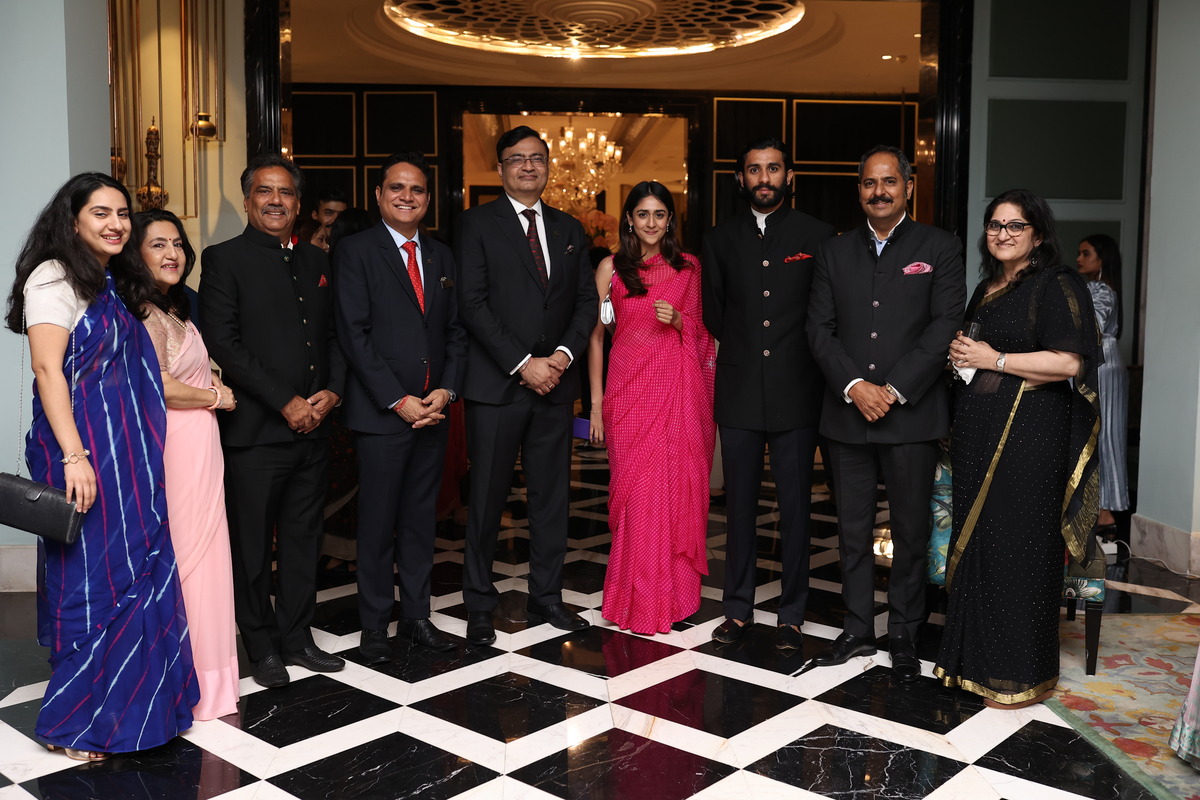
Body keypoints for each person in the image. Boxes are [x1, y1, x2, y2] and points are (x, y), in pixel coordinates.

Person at [4, 173, 197, 760]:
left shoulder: (107, 281)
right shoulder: (52, 277)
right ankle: (75, 724)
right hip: (85, 453)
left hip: (129, 456)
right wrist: (74, 457)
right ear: (73, 219)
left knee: (139, 570)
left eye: (122, 213)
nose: (116, 223)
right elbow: (47, 371)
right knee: (92, 582)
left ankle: (139, 709)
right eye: (101, 213)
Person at [934, 189, 1100, 708]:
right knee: (979, 546)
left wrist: (994, 358)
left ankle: (1019, 674)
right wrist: (963, 357)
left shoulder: (1056, 284)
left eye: (1015, 225)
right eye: (995, 225)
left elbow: (1069, 364)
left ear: (1038, 234)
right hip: (978, 437)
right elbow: (976, 355)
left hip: (1029, 440)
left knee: (1019, 552)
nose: (1003, 234)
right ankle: (971, 665)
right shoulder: (986, 288)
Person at [807, 145, 965, 681]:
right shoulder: (833, 252)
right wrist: (856, 386)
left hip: (911, 414)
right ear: (859, 190)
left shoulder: (939, 247)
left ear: (908, 186)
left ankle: (903, 631)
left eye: (889, 182)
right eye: (870, 183)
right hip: (847, 414)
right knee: (852, 530)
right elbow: (818, 330)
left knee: (910, 529)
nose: (879, 191)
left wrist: (893, 388)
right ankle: (857, 627)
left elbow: (944, 325)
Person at [200, 154, 346, 688]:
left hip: (315, 427)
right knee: (252, 546)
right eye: (265, 191)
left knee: (306, 538)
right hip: (257, 434)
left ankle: (297, 637)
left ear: (298, 202)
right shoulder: (223, 259)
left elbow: (332, 335)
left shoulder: (315, 260)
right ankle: (259, 645)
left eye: (285, 193)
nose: (276, 201)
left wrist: (331, 393)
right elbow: (226, 343)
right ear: (248, 200)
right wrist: (286, 401)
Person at [454, 125, 597, 645]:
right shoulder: (475, 224)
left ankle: (548, 596)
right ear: (500, 168)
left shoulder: (568, 228)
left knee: (551, 498)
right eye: (518, 159)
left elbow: (584, 303)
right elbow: (471, 304)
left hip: (555, 386)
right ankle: (478, 604)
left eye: (537, 158)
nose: (529, 167)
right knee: (487, 500)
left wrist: (559, 357)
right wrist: (523, 363)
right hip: (498, 387)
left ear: (548, 166)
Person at [701, 137, 836, 649]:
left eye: (773, 169)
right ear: (741, 179)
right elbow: (714, 312)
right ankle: (737, 610)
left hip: (798, 393)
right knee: (738, 507)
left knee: (797, 508)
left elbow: (824, 313)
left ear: (789, 176)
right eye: (754, 170)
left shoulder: (818, 236)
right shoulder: (719, 239)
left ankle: (792, 614)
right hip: (737, 392)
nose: (764, 178)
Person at [334, 152, 467, 660]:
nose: (407, 196)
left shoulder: (440, 255)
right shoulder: (355, 251)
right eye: (397, 188)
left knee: (419, 521)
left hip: (433, 413)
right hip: (382, 415)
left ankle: (416, 617)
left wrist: (446, 391)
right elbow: (354, 334)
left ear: (428, 199)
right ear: (379, 195)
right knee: (377, 522)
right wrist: (397, 399)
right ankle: (374, 627)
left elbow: (455, 332)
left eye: (416, 190)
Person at [586, 181, 716, 634]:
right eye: (643, 214)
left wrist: (680, 321)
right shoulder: (611, 269)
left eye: (660, 215)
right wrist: (597, 406)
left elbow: (702, 335)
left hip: (675, 396)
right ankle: (634, 598)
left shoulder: (689, 268)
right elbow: (596, 339)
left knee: (671, 495)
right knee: (634, 497)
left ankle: (671, 598)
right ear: (629, 219)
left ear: (670, 221)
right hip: (627, 398)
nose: (651, 223)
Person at [132, 209, 240, 721]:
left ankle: (209, 678)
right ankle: (189, 681)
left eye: (176, 243)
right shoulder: (143, 312)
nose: (172, 253)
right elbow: (160, 384)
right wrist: (215, 396)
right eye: (157, 245)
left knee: (208, 554)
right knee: (191, 559)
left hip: (199, 442)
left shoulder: (172, 308)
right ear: (135, 253)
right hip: (177, 441)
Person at [1076, 233, 1129, 534]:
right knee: (1101, 432)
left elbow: (1090, 326)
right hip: (1104, 362)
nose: (1079, 258)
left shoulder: (1100, 289)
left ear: (1101, 259)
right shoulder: (1097, 288)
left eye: (1086, 253)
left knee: (1102, 432)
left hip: (1103, 365)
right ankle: (1102, 508)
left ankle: (1105, 510)